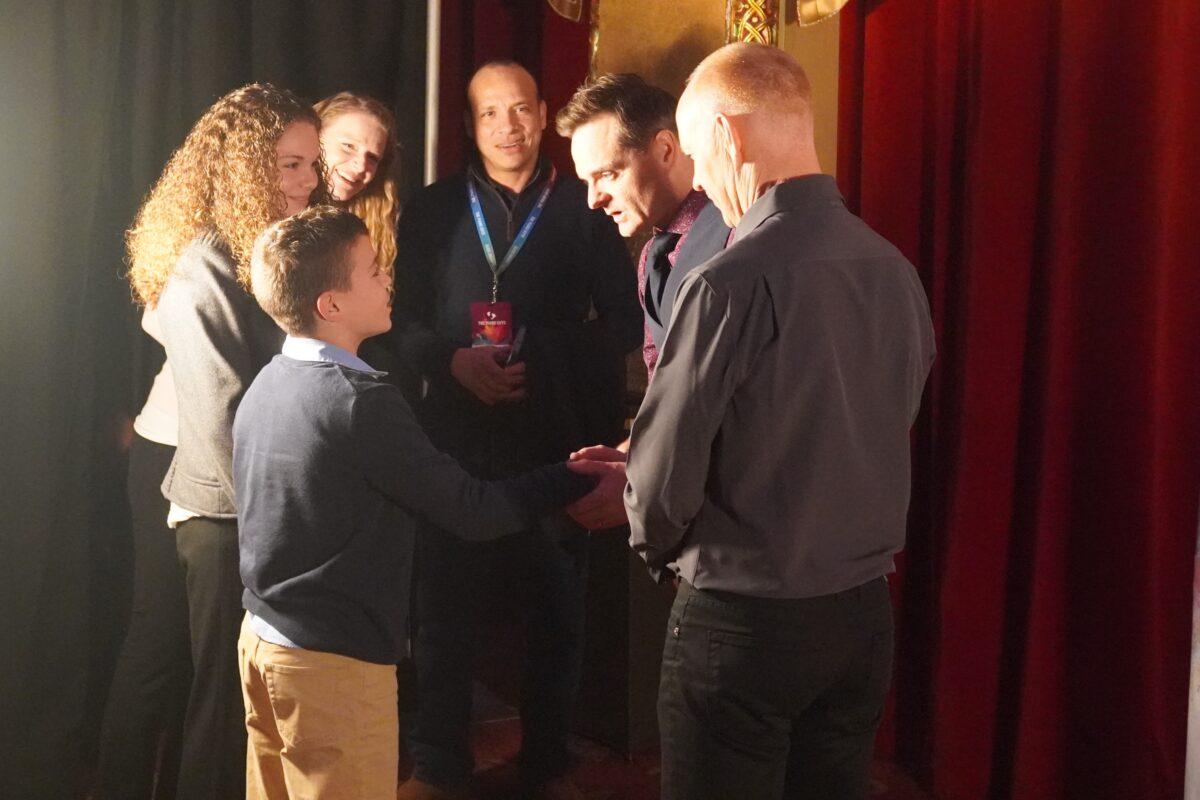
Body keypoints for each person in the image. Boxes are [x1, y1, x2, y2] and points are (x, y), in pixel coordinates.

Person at [568, 43, 937, 799]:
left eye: (698, 156)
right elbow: (886, 422)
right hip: (863, 619)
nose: (699, 179)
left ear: (728, 140)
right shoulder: (894, 269)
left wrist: (655, 539)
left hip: (743, 623)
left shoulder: (728, 280)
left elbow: (664, 482)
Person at [232, 206, 594, 800]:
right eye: (373, 271)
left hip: (265, 644)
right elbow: (472, 510)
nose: (388, 280)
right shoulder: (359, 401)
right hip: (334, 663)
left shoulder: (269, 382)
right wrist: (573, 474)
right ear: (331, 305)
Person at [386, 60, 641, 800]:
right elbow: (398, 323)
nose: (507, 126)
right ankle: (438, 761)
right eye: (490, 112)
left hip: (554, 437)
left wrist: (546, 352)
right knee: (444, 614)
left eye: (521, 109)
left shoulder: (588, 209)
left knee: (556, 614)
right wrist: (454, 360)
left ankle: (546, 761)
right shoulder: (434, 209)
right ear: (468, 125)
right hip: (455, 441)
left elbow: (625, 323)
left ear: (543, 113)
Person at [124, 82, 324, 800]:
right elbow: (219, 416)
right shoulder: (204, 259)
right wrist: (267, 528)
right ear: (244, 165)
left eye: (312, 165)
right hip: (214, 501)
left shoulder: (249, 244)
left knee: (206, 683)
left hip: (229, 496)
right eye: (290, 165)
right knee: (206, 688)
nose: (309, 182)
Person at [554, 72, 730, 530]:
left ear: (667, 150)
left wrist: (640, 483)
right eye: (586, 181)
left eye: (607, 174)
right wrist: (630, 453)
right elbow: (670, 397)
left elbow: (721, 412)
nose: (594, 200)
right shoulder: (653, 252)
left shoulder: (734, 245)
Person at [92, 307, 190, 800]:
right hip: (177, 447)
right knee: (157, 643)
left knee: (194, 657)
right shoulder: (210, 244)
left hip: (191, 447)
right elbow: (160, 316)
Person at [313, 92, 401, 273]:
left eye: (373, 158)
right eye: (348, 146)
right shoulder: (269, 214)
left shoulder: (379, 230)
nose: (361, 166)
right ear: (312, 136)